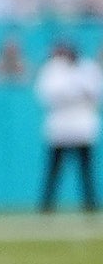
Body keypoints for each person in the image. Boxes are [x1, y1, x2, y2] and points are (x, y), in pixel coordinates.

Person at [39, 39, 100, 211]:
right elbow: (48, 95)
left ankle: (90, 205)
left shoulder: (88, 68)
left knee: (86, 170)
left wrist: (75, 92)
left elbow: (95, 93)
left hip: (82, 126)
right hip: (60, 127)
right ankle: (46, 206)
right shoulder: (52, 69)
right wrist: (74, 93)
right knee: (54, 170)